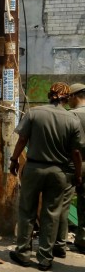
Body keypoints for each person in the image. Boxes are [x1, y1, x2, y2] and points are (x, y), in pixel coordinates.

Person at [8, 82, 83, 271]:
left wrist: (14, 160)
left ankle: (23, 254)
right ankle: (45, 258)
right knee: (52, 214)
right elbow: (75, 152)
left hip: (34, 168)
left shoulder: (34, 113)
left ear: (49, 94)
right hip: (59, 172)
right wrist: (78, 175)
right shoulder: (71, 119)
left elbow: (22, 139)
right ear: (67, 97)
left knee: (27, 211)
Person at [68, 83, 85, 254]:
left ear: (74, 96)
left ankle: (81, 240)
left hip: (77, 162)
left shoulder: (71, 115)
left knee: (77, 202)